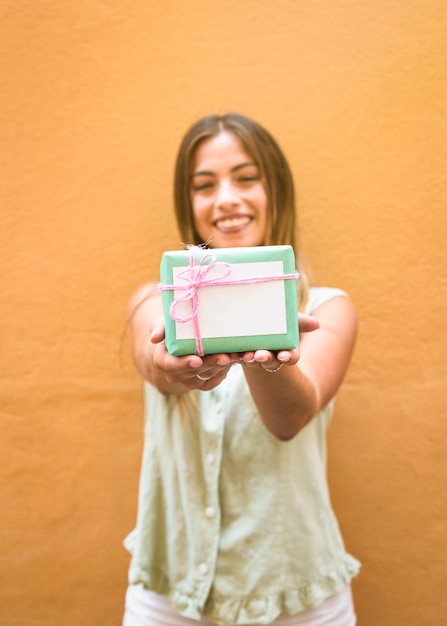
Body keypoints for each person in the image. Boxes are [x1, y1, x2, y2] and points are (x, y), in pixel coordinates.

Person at [123, 113, 360, 626]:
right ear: (189, 205)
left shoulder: (327, 310)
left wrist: (267, 352)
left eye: (246, 177)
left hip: (296, 601)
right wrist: (178, 368)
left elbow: (289, 419)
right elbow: (156, 365)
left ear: (276, 190)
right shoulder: (156, 301)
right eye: (204, 186)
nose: (226, 198)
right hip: (169, 601)